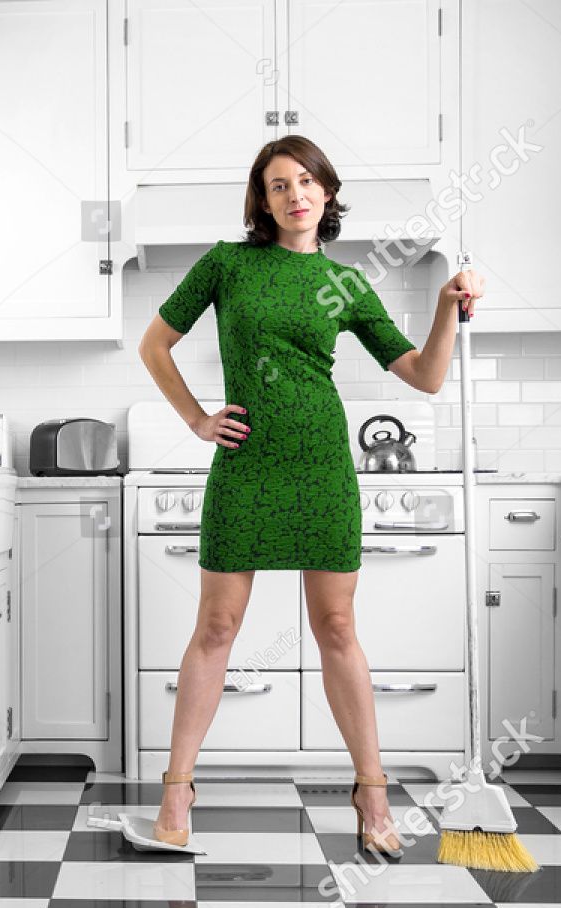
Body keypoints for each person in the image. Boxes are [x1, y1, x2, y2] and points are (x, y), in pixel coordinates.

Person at [136, 134, 484, 857]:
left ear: (326, 193)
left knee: (336, 629)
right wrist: (199, 419)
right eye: (277, 185)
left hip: (323, 470)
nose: (294, 194)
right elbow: (154, 345)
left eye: (306, 182)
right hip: (247, 469)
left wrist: (449, 307)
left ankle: (371, 790)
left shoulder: (347, 285)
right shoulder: (226, 265)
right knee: (217, 629)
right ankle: (177, 789)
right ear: (262, 202)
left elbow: (423, 374)